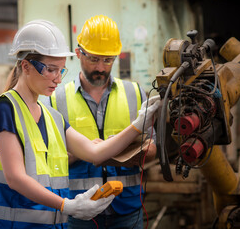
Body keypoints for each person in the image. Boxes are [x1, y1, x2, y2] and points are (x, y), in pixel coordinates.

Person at [0, 19, 160, 229]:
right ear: (26, 66)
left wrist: (138, 124)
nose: (58, 79)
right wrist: (67, 205)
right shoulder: (3, 109)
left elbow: (95, 152)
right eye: (51, 70)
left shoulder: (52, 117)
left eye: (61, 71)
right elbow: (15, 178)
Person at [47, 15, 157, 229]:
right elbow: (50, 161)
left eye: (108, 60)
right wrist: (87, 150)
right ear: (79, 53)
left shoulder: (134, 93)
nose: (101, 68)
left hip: (127, 207)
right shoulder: (56, 99)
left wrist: (120, 148)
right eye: (94, 59)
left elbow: (152, 149)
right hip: (80, 210)